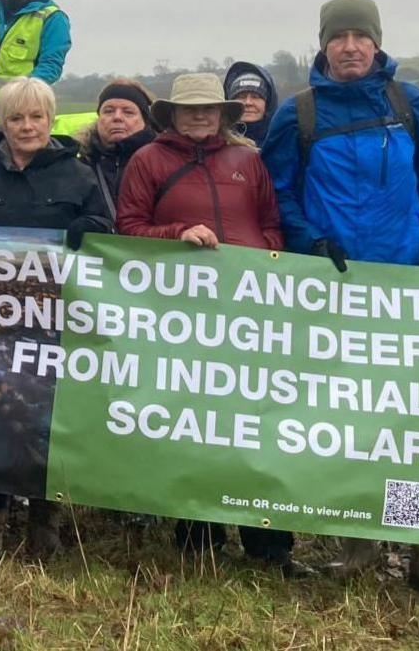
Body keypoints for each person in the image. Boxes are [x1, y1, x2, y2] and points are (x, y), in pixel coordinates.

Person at [261, 0, 419, 602]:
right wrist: (309, 242)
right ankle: (357, 546)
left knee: (411, 424)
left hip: (407, 290)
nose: (349, 47)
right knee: (344, 420)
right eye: (338, 37)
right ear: (322, 45)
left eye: (360, 37)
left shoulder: (409, 103)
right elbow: (278, 193)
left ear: (376, 43)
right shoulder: (299, 113)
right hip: (333, 292)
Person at [114, 73, 310, 577]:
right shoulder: (147, 161)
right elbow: (129, 230)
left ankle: (269, 543)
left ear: (225, 115)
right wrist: (180, 235)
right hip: (179, 314)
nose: (200, 116)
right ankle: (198, 534)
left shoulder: (249, 162)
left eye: (209, 109)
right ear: (173, 115)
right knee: (192, 420)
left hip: (249, 315)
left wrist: (264, 265)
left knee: (255, 421)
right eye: (189, 109)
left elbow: (271, 224)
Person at [0, 77, 110, 563]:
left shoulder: (77, 175)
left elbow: (107, 228)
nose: (27, 126)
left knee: (44, 424)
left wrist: (90, 228)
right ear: (1, 121)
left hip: (53, 324)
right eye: (16, 117)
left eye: (36, 117)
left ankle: (44, 526)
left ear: (51, 121)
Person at [77, 79, 157, 219]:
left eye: (128, 112)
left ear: (146, 121)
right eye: (108, 111)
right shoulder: (80, 166)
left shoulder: (162, 164)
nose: (117, 117)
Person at [224, 61, 278, 142]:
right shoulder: (217, 141)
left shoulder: (282, 139)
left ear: (267, 104)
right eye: (241, 97)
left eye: (255, 97)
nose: (248, 102)